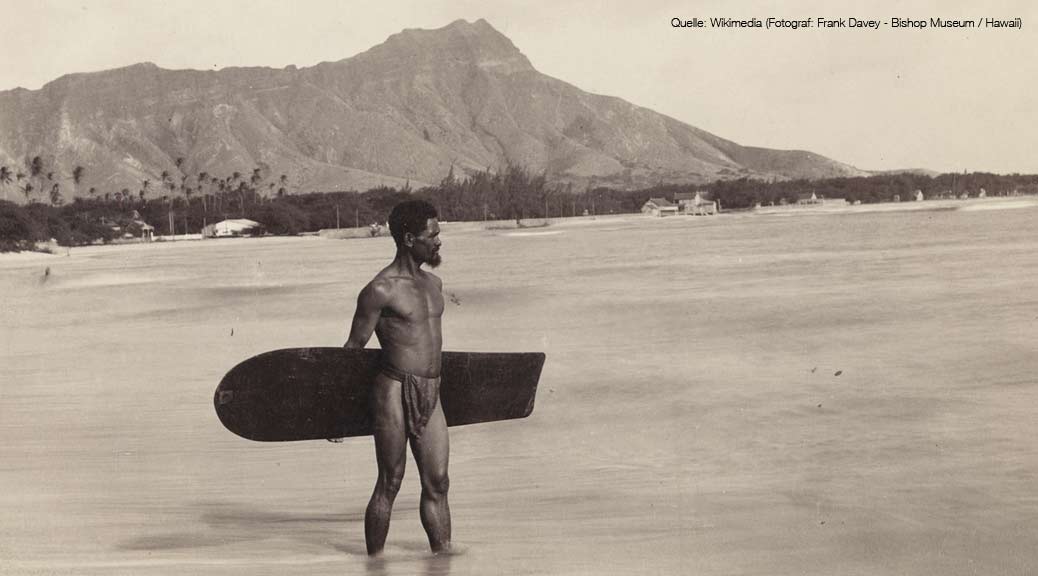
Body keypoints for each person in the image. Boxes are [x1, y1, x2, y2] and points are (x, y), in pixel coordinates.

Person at [343, 199, 450, 555]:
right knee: (390, 482)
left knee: (438, 482)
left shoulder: (434, 284)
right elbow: (353, 348)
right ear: (408, 238)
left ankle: (443, 561)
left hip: (432, 392)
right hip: (394, 388)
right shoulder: (380, 290)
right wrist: (336, 410)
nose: (438, 241)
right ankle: (375, 562)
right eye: (431, 235)